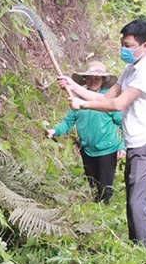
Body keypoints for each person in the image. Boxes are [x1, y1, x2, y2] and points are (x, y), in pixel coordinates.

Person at [57, 19, 146, 249]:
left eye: (128, 45)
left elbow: (118, 104)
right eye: (122, 44)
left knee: (139, 204)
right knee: (132, 201)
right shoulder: (131, 69)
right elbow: (106, 97)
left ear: (145, 46)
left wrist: (82, 105)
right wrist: (74, 87)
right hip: (136, 145)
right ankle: (137, 249)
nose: (123, 50)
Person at [46, 60, 125, 203]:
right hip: (87, 150)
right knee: (93, 186)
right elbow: (68, 121)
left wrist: (122, 146)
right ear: (85, 80)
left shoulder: (108, 101)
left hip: (107, 150)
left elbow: (123, 124)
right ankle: (95, 213)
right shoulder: (77, 100)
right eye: (90, 78)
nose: (93, 81)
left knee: (105, 189)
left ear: (103, 80)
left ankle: (104, 215)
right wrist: (55, 131)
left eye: (97, 78)